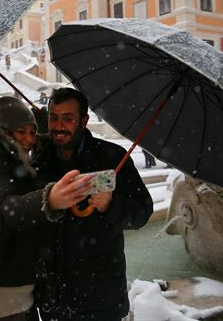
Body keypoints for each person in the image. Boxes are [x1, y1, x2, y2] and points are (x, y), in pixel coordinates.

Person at [0, 95, 92, 321]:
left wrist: (50, 128)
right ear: (3, 132)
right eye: (21, 132)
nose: (28, 139)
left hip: (10, 293)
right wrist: (49, 199)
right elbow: (6, 209)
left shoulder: (9, 155)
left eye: (32, 131)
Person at [32, 88, 154, 321]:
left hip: (101, 297)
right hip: (52, 298)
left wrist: (111, 205)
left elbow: (142, 212)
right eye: (53, 118)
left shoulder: (112, 157)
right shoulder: (40, 159)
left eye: (68, 119)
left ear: (84, 121)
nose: (58, 127)